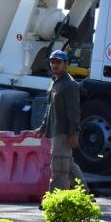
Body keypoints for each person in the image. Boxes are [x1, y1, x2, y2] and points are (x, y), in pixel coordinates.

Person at [31, 49, 86, 194]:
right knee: (68, 165)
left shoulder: (70, 85)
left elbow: (74, 112)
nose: (55, 65)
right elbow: (50, 108)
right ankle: (86, 194)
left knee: (59, 168)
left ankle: (54, 200)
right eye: (52, 62)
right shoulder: (54, 82)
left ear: (66, 64)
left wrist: (73, 133)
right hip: (55, 130)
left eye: (58, 62)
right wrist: (43, 127)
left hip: (64, 132)